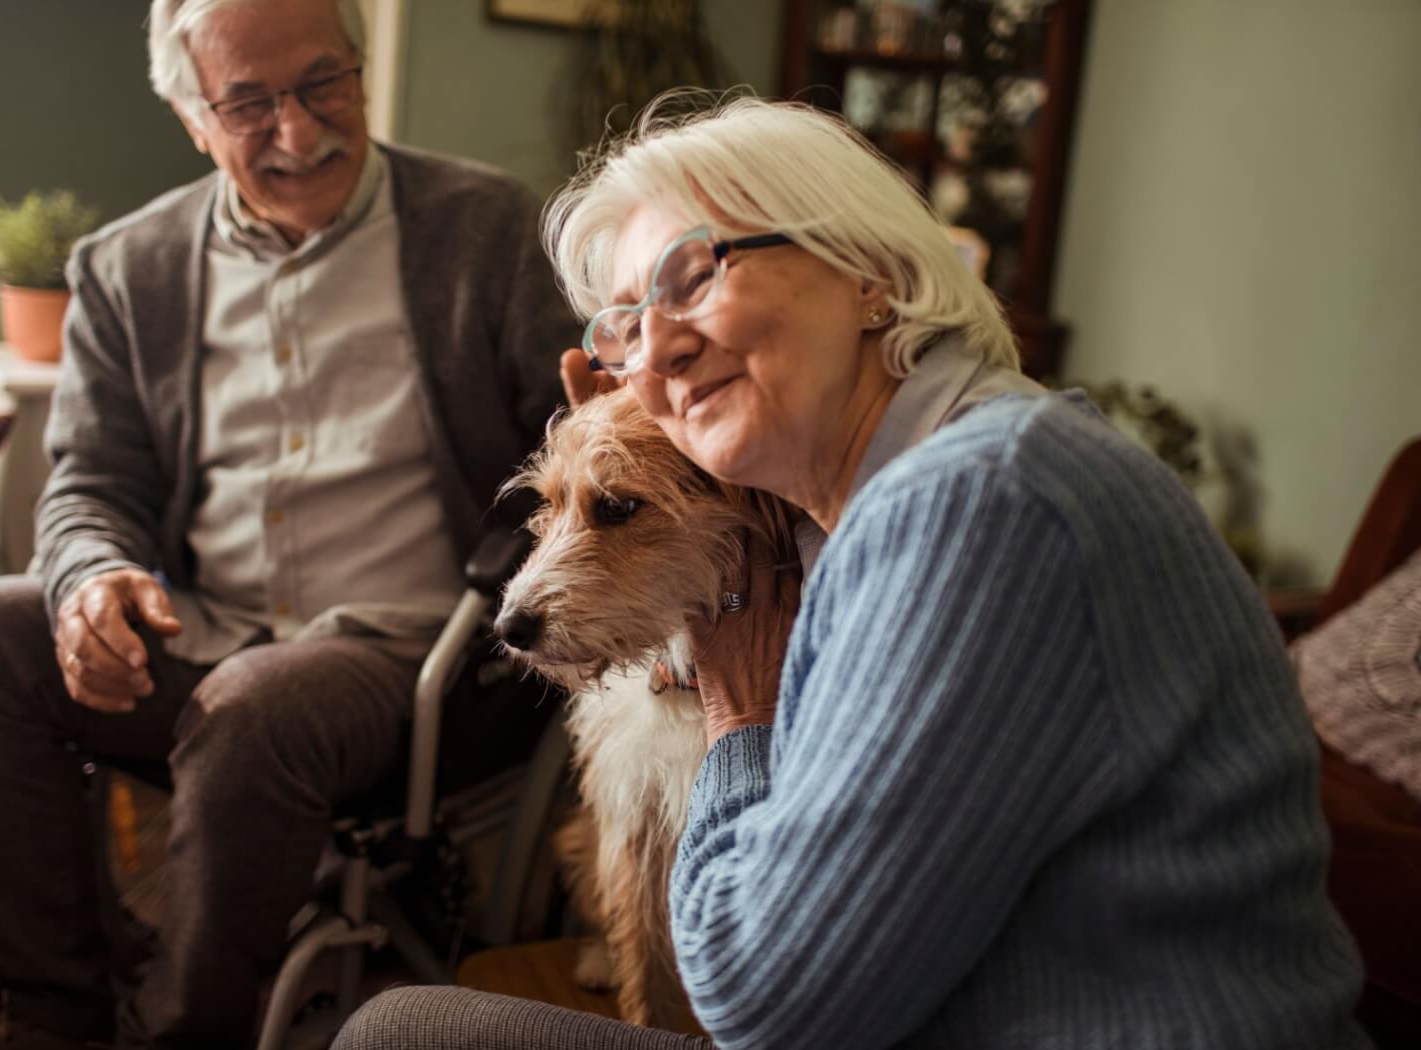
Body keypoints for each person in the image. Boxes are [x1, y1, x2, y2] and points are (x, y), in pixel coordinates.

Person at [335, 96, 1372, 1049]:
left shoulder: (978, 504)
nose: (655, 350)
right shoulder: (918, 485)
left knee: (401, 1034)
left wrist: (741, 717)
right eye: (624, 325)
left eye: (692, 276)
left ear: (869, 271)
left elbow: (766, 1006)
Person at [0, 1, 576, 1047]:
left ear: (361, 71)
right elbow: (88, 481)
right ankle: (49, 1014)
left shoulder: (486, 228)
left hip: (416, 664)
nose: (300, 133)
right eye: (250, 103)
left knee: (256, 707)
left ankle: (188, 1034)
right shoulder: (129, 268)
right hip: (203, 633)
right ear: (190, 118)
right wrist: (91, 577)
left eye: (324, 84)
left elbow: (575, 441)